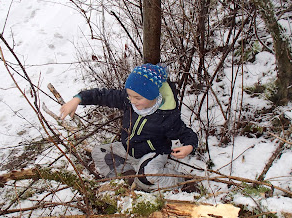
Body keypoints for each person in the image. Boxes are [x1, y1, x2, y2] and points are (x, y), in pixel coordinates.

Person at [60, 63, 198, 191]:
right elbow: (102, 95)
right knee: (99, 152)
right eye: (130, 96)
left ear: (153, 95)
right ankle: (126, 177)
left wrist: (189, 146)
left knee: (149, 175)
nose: (132, 101)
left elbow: (187, 133)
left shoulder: (166, 116)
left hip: (152, 154)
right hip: (127, 149)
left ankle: (182, 181)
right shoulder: (129, 101)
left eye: (137, 98)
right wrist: (78, 98)